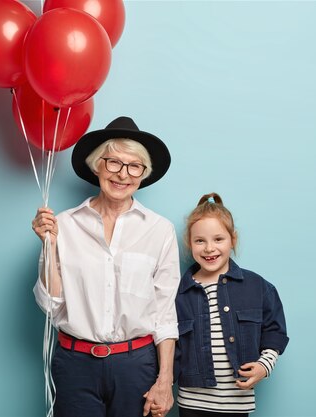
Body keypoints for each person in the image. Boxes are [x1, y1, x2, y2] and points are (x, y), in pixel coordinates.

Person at [31, 116, 180, 417]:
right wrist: (47, 245)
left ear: (143, 174)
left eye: (134, 166)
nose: (122, 174)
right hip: (75, 365)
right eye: (113, 162)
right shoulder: (65, 225)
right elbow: (51, 306)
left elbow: (165, 314)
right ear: (97, 165)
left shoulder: (160, 230)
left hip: (136, 365)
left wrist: (165, 380)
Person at [174, 193, 289, 417]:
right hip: (191, 403)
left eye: (218, 239)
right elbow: (169, 346)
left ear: (232, 240)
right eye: (200, 240)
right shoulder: (178, 292)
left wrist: (264, 366)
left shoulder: (258, 287)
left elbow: (274, 333)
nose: (209, 248)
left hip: (236, 403)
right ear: (190, 243)